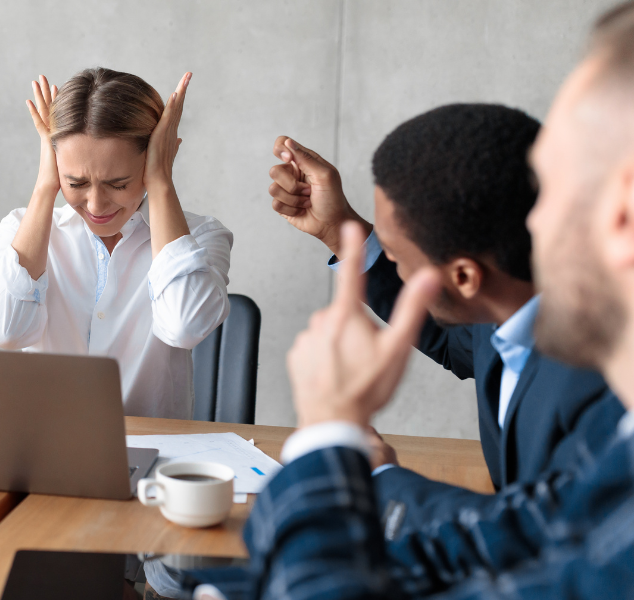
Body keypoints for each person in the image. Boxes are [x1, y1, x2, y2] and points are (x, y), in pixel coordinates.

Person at [195, 2, 634, 597]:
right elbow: (514, 535)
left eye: (552, 183)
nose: (529, 217)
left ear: (621, 217)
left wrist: (331, 432)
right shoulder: (615, 439)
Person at [267, 105, 617, 535]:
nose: (392, 264)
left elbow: (538, 538)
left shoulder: (605, 388)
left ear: (465, 276)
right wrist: (340, 231)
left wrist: (379, 476)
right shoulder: (504, 303)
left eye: (395, 257)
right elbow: (452, 341)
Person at [0, 68, 233, 419]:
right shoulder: (22, 229)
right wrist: (45, 187)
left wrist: (161, 184)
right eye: (76, 183)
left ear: (154, 159)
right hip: (47, 453)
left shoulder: (199, 238)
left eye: (118, 183)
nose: (95, 206)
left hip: (155, 457)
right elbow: (4, 330)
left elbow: (184, 325)